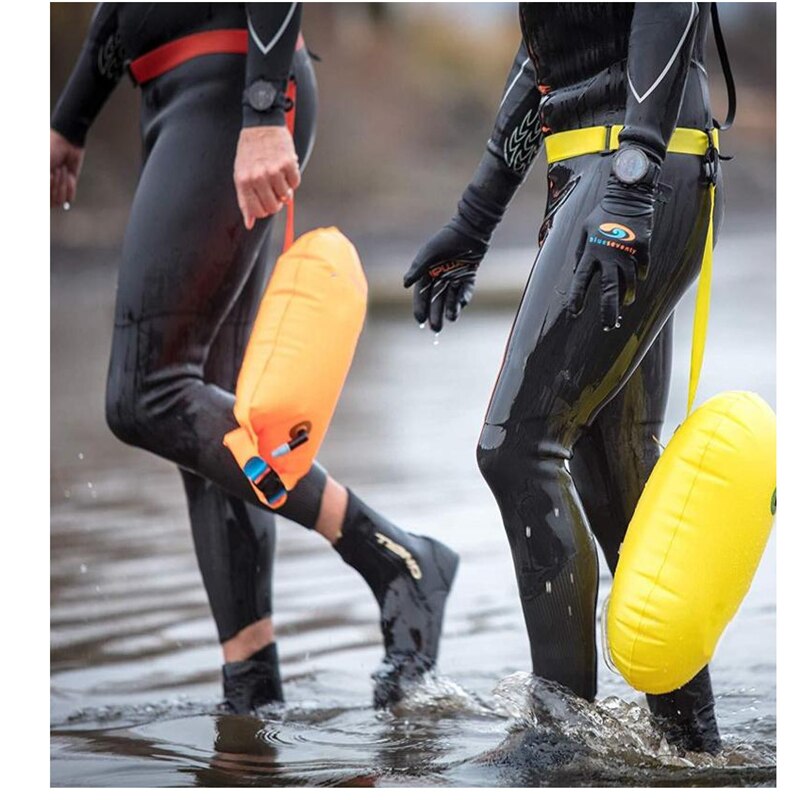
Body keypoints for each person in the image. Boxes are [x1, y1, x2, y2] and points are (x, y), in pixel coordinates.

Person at [50, 2, 459, 714]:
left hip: (231, 87)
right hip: (184, 92)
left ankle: (393, 556)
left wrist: (263, 107)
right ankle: (252, 693)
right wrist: (72, 119)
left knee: (145, 395)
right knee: (207, 406)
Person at [404, 2, 730, 754]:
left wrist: (634, 176)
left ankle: (560, 747)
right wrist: (475, 218)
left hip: (637, 166)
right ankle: (693, 743)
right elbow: (546, 54)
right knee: (611, 469)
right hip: (598, 165)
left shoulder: (634, 165)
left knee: (516, 449)